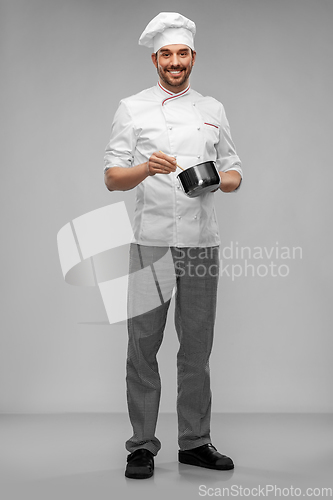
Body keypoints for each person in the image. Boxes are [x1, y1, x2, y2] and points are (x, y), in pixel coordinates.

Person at [104, 12, 243, 479]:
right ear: (155, 59)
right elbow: (111, 177)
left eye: (182, 53)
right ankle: (141, 445)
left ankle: (195, 442)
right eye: (167, 54)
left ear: (193, 57)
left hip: (202, 245)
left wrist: (216, 182)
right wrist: (145, 169)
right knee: (142, 347)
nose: (175, 62)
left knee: (196, 349)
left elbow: (236, 171)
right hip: (151, 243)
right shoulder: (132, 108)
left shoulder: (213, 109)